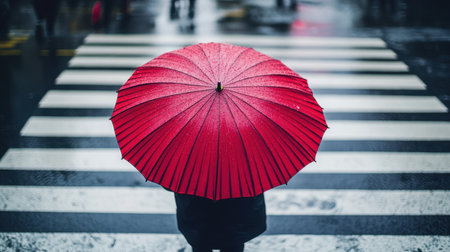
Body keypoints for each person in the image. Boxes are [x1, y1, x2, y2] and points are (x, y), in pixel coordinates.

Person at [174, 192, 266, 252]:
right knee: (233, 245)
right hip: (236, 216)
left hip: (197, 215)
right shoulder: (244, 162)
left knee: (200, 244)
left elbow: (173, 182)